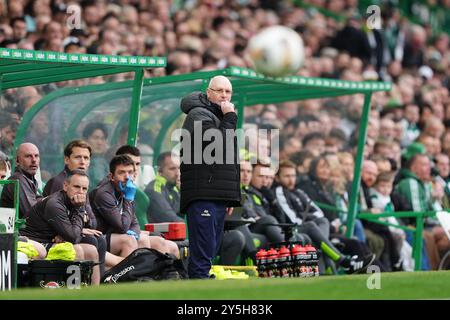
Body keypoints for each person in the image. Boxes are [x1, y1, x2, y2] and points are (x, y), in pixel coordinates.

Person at [179, 75, 241, 279]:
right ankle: (199, 286)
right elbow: (216, 145)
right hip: (202, 192)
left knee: (211, 246)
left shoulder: (219, 116)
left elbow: (229, 160)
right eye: (219, 90)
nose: (224, 95)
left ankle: (202, 279)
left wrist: (229, 195)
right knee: (204, 246)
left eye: (228, 91)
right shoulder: (197, 114)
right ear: (208, 92)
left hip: (217, 193)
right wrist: (230, 117)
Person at [273, 160, 375, 274]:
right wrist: (308, 218)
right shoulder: (279, 191)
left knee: (323, 220)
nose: (291, 179)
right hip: (292, 230)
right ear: (277, 178)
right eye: (287, 176)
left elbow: (319, 213)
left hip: (313, 229)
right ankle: (343, 261)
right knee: (313, 226)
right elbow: (293, 219)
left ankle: (330, 252)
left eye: (293, 175)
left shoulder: (299, 192)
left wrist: (307, 217)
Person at [42, 139, 123, 273]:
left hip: (73, 229)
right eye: (78, 157)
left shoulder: (82, 182)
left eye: (86, 158)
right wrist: (80, 227)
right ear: (67, 160)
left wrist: (82, 224)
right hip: (54, 236)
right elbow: (56, 218)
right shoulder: (59, 182)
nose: (82, 161)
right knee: (93, 240)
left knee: (99, 238)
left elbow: (92, 222)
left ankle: (98, 280)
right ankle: (89, 281)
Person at [90, 154, 180, 259]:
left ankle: (164, 273)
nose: (127, 177)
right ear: (111, 176)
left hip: (117, 234)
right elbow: (122, 227)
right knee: (137, 240)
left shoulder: (125, 189)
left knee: (161, 242)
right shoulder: (104, 193)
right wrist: (129, 199)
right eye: (121, 172)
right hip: (100, 237)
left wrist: (135, 231)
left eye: (130, 172)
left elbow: (135, 223)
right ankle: (136, 274)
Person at [21, 170, 101, 285]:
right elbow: (73, 237)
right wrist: (80, 209)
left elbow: (83, 228)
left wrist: (66, 234)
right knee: (75, 249)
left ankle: (95, 294)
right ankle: (73, 294)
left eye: (84, 189)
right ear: (65, 186)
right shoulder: (55, 203)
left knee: (92, 250)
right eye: (76, 187)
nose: (80, 192)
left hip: (50, 239)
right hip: (35, 242)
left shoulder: (73, 200)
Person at [1, 143, 43, 219]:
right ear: (17, 160)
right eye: (28, 156)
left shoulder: (28, 179)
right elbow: (34, 213)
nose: (34, 160)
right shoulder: (18, 179)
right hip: (15, 230)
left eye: (36, 156)